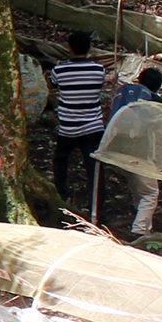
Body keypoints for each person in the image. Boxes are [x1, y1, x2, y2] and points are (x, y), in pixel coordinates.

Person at [48, 30, 109, 206]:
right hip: (93, 126)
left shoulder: (59, 70)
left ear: (69, 48)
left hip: (68, 127)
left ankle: (61, 194)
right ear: (89, 48)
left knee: (60, 159)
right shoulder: (98, 70)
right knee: (94, 166)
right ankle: (96, 203)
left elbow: (50, 86)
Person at [113, 67, 162, 237]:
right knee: (151, 193)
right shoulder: (156, 102)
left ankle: (146, 226)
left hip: (114, 151)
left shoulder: (124, 94)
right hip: (140, 154)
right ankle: (139, 231)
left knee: (140, 190)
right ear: (158, 86)